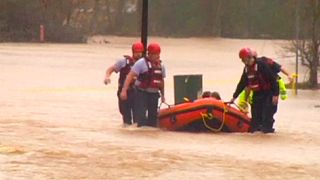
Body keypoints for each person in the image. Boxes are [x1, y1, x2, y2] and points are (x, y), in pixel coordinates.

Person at [230, 48, 279, 133]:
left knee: (266, 118)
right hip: (257, 94)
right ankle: (256, 136)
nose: (243, 61)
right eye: (242, 60)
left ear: (249, 57)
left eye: (243, 59)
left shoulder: (261, 65)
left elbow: (272, 79)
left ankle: (267, 132)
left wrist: (275, 95)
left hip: (269, 94)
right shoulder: (246, 69)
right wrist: (234, 97)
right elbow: (242, 83)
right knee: (255, 121)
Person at [120, 42, 166, 127]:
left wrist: (163, 95)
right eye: (155, 54)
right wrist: (124, 91)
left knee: (152, 119)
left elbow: (161, 81)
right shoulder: (141, 63)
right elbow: (130, 76)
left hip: (154, 94)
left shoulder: (161, 65)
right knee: (140, 118)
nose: (157, 56)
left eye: (158, 54)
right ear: (150, 54)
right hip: (141, 93)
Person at [104, 42, 144, 126]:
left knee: (137, 116)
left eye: (140, 52)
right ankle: (127, 130)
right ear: (133, 51)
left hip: (137, 92)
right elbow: (110, 69)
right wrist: (107, 77)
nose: (139, 54)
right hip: (124, 91)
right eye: (137, 52)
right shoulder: (123, 61)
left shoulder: (143, 63)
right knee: (126, 115)